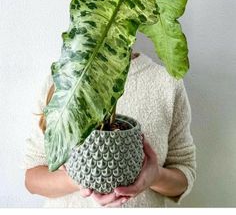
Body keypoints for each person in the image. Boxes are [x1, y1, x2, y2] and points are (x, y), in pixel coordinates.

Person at [23, 51, 197, 208]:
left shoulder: (166, 81)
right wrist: (80, 177)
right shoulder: (64, 77)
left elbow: (184, 174)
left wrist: (155, 176)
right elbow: (32, 178)